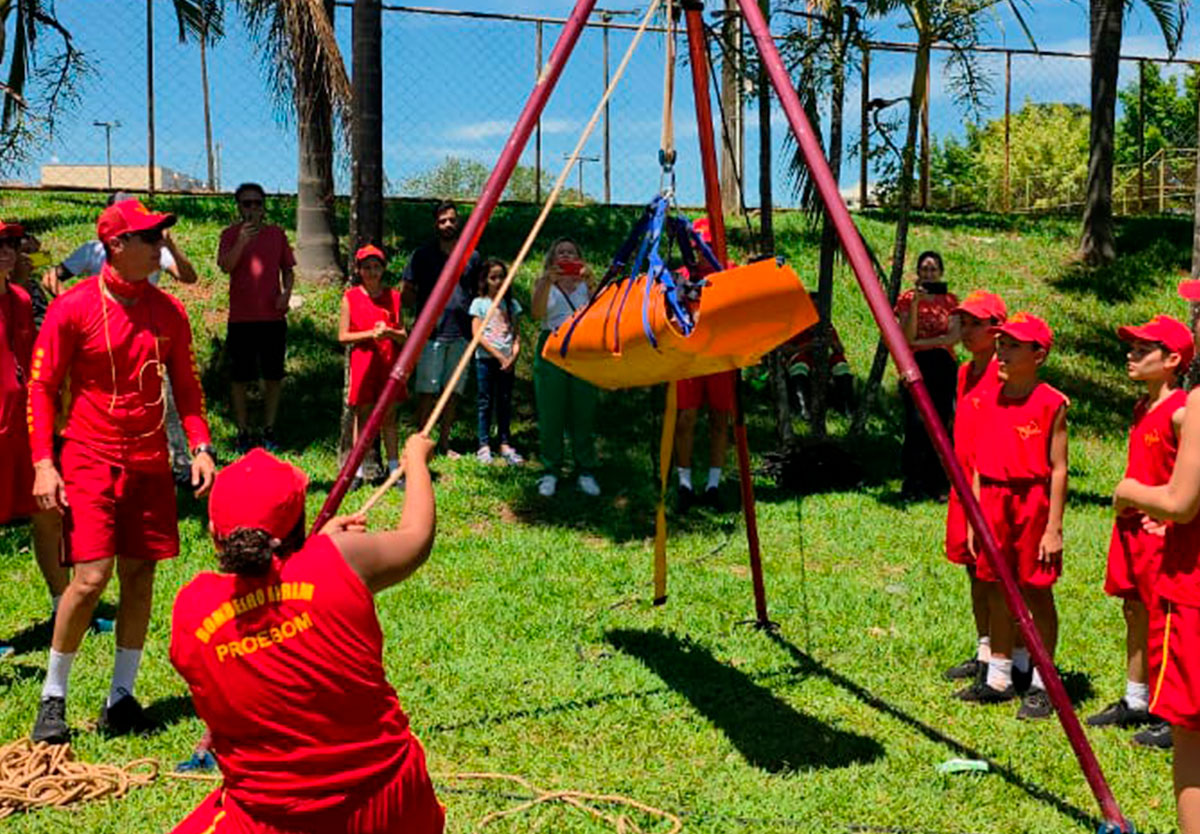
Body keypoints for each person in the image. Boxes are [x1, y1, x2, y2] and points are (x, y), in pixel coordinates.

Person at [168, 438, 444, 834]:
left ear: (215, 534)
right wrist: (415, 459)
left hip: (279, 819)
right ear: (299, 524)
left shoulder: (192, 610)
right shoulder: (337, 559)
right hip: (394, 802)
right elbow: (416, 537)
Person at [27, 199, 216, 744]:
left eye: (160, 235)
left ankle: (122, 697)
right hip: (89, 455)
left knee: (140, 573)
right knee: (90, 578)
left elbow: (187, 387)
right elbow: (41, 387)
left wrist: (201, 446)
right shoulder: (74, 307)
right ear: (115, 245)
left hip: (150, 461)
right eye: (149, 237)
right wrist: (44, 463)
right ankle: (53, 698)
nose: (160, 244)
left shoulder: (169, 311)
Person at [1113, 282, 1200, 833]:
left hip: (1192, 584)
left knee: (1191, 737)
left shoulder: (1193, 407)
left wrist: (1129, 492)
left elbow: (1181, 501)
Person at [955, 312, 1067, 722]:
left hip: (1032, 502)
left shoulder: (1051, 402)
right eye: (1001, 344)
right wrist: (975, 518)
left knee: (1036, 591)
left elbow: (1058, 469)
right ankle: (1000, 675)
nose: (1002, 352)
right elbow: (979, 465)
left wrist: (1053, 528)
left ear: (1038, 355)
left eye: (1013, 346)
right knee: (996, 588)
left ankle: (1042, 682)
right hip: (993, 501)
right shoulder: (990, 398)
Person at [1101, 315, 1191, 751]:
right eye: (1131, 348)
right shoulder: (1143, 407)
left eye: (1142, 350)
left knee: (1163, 619)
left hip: (1162, 532)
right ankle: (1136, 697)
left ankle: (1170, 712)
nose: (1130, 356)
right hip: (1130, 527)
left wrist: (1169, 517)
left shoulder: (1183, 413)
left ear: (1172, 360)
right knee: (1134, 610)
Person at [0, 221, 67, 659]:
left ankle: (66, 609)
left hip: (24, 432)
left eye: (11, 242)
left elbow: (30, 364)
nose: (6, 249)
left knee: (49, 515)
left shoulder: (22, 299)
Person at [942, 290, 1006, 684]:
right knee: (971, 567)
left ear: (996, 329)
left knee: (993, 573)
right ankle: (983, 647)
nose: (966, 331)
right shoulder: (965, 372)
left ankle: (1005, 655)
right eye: (963, 323)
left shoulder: (1005, 375)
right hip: (962, 482)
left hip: (992, 486)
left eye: (975, 324)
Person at [218, 182, 296, 453]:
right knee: (240, 377)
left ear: (264, 207)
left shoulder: (277, 234)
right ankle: (243, 431)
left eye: (257, 203)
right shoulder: (229, 234)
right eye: (246, 203)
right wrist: (241, 241)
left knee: (273, 375)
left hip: (272, 318)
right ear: (239, 207)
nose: (252, 208)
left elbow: (288, 269)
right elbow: (226, 266)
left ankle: (268, 428)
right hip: (241, 318)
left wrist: (286, 293)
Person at [402, 201, 480, 458]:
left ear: (459, 222)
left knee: (452, 391)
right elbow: (408, 291)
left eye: (451, 220)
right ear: (435, 224)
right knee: (427, 390)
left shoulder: (472, 256)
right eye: (442, 220)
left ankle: (445, 443)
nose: (447, 224)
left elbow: (478, 293)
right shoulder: (422, 255)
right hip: (431, 334)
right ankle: (420, 443)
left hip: (462, 333)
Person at [531, 237, 600, 498]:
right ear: (552, 257)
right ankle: (551, 470)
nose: (566, 256)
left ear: (579, 257)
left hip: (582, 347)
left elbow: (600, 313)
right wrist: (547, 281)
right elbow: (537, 314)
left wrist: (591, 283)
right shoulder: (544, 282)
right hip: (551, 344)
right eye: (561, 252)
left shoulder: (587, 283)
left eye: (571, 252)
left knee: (584, 409)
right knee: (551, 411)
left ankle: (585, 470)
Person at [673, 217, 733, 513]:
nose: (703, 250)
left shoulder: (730, 271)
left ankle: (713, 485)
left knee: (720, 419)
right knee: (686, 418)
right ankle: (684, 484)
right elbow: (669, 307)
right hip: (690, 356)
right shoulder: (682, 274)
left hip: (721, 356)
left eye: (708, 244)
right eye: (698, 245)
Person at [339, 245, 406, 490]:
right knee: (363, 416)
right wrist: (370, 334)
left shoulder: (393, 297)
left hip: (388, 364)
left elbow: (404, 335)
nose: (372, 272)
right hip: (364, 363)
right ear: (359, 270)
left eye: (376, 266)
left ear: (383, 269)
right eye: (367, 267)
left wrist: (389, 332)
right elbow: (343, 336)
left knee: (389, 417)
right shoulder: (350, 297)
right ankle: (356, 471)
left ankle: (394, 468)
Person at [894, 251, 960, 501]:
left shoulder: (950, 300)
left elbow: (954, 336)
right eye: (925, 269)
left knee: (942, 421)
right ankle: (913, 482)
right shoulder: (907, 299)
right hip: (916, 364)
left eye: (933, 269)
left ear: (940, 273)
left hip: (943, 364)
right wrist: (915, 305)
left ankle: (938, 482)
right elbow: (907, 337)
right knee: (916, 424)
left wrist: (923, 342)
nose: (929, 274)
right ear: (918, 273)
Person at [470, 257, 523, 466]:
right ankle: (483, 445)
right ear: (485, 280)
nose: (498, 282)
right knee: (485, 401)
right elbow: (477, 334)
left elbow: (516, 335)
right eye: (493, 278)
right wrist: (499, 355)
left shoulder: (512, 305)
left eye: (501, 277)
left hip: (507, 362)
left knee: (504, 401)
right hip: (486, 361)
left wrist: (513, 356)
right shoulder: (480, 304)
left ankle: (504, 442)